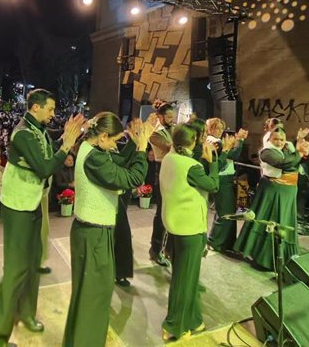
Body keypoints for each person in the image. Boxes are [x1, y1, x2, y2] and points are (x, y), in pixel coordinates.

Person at [0, 89, 84, 347]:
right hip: (18, 207)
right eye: (50, 109)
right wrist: (67, 145)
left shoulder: (38, 128)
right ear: (35, 107)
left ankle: (25, 312)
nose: (53, 114)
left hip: (33, 203)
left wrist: (67, 137)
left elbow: (49, 150)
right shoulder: (23, 132)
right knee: (15, 270)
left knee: (33, 262)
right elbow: (46, 166)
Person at [62, 112, 152, 347]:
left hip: (91, 232)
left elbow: (118, 164)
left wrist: (134, 142)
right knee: (95, 297)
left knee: (88, 296)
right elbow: (131, 177)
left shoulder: (91, 150)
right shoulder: (95, 159)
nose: (115, 146)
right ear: (102, 136)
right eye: (114, 140)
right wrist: (142, 149)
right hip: (94, 235)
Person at [160, 123, 220, 341]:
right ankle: (173, 325)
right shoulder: (190, 166)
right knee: (184, 281)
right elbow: (213, 185)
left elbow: (190, 179)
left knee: (188, 277)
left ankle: (194, 320)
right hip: (190, 229)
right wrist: (212, 162)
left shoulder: (170, 157)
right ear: (192, 142)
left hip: (175, 226)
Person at [234, 127, 309, 271]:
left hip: (288, 192)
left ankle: (284, 257)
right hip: (274, 191)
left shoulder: (287, 148)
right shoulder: (266, 152)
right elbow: (285, 163)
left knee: (285, 221)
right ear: (269, 139)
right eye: (275, 139)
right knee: (271, 220)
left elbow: (296, 161)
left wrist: (300, 143)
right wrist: (299, 153)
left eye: (282, 139)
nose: (279, 142)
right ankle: (265, 257)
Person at [206, 118, 247, 252]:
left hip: (225, 178)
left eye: (221, 128)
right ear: (210, 129)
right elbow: (233, 155)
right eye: (216, 128)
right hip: (223, 179)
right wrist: (239, 141)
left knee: (227, 210)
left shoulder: (213, 141)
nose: (219, 131)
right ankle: (215, 241)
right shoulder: (214, 141)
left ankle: (226, 242)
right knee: (225, 212)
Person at [148, 103, 175, 266]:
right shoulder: (155, 133)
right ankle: (156, 249)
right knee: (162, 214)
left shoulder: (171, 129)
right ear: (160, 116)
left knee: (172, 212)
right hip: (162, 170)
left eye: (173, 116)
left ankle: (169, 249)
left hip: (173, 169)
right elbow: (171, 147)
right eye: (169, 117)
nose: (172, 120)